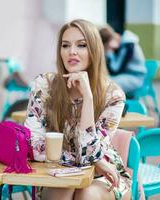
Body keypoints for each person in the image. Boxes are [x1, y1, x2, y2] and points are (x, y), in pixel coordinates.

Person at [24, 19, 131, 200]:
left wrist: (88, 99)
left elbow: (89, 156)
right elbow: (34, 147)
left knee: (86, 195)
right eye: (65, 45)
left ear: (94, 50)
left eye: (81, 45)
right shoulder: (43, 85)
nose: (72, 51)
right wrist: (93, 160)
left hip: (103, 176)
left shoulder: (113, 95)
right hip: (57, 173)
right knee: (64, 190)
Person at [99, 26, 147, 98]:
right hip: (126, 75)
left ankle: (108, 107)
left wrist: (109, 53)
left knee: (107, 85)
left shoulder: (128, 45)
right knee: (102, 81)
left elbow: (115, 70)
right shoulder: (123, 44)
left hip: (135, 78)